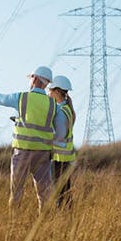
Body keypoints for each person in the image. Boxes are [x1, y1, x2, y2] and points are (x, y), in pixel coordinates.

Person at [0, 66, 67, 211]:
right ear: (46, 83)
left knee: (16, 192)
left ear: (35, 78)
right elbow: (62, 130)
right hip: (43, 154)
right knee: (45, 194)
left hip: (22, 153)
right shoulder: (53, 105)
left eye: (31, 77)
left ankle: (13, 224)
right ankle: (44, 225)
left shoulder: (21, 98)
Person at [47, 75, 76, 209]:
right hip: (66, 158)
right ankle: (67, 218)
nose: (48, 93)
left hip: (59, 159)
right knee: (65, 192)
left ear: (57, 91)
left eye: (50, 90)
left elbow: (58, 135)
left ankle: (62, 219)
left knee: (59, 193)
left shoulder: (60, 111)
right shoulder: (67, 109)